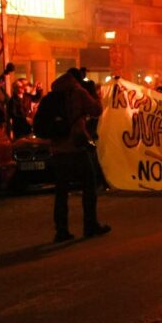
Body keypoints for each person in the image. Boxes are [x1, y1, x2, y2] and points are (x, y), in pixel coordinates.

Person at [46, 68, 109, 243]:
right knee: (89, 185)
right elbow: (96, 110)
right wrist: (93, 94)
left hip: (58, 149)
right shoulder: (78, 92)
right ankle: (90, 225)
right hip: (76, 147)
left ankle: (61, 230)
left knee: (61, 192)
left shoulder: (54, 94)